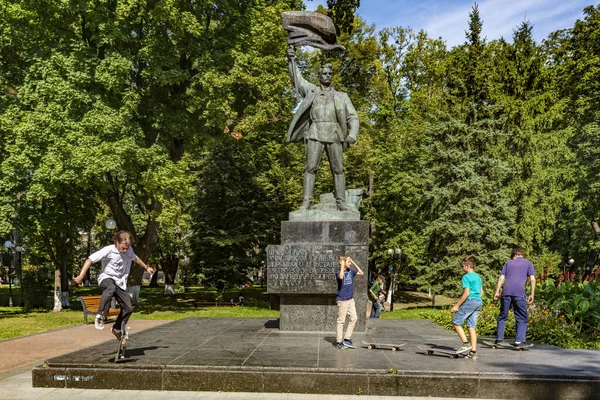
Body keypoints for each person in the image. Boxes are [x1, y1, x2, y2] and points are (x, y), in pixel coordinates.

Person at [286, 46, 359, 211]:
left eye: (329, 74)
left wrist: (352, 135)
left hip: (335, 134)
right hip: (315, 133)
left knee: (338, 169)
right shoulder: (311, 92)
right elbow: (297, 78)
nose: (327, 76)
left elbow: (353, 117)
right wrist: (291, 60)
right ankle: (306, 202)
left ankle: (341, 202)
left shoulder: (342, 96)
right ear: (318, 76)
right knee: (310, 168)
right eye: (324, 73)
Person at [73, 231, 154, 340]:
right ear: (116, 242)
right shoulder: (108, 250)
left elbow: (135, 258)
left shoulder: (129, 250)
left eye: (127, 248)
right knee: (110, 288)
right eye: (122, 248)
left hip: (120, 283)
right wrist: (81, 276)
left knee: (128, 308)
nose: (125, 251)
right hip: (106, 278)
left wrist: (146, 267)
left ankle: (117, 328)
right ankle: (100, 315)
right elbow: (89, 260)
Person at [493, 247, 535, 348]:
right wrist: (532, 294)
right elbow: (532, 280)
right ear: (522, 255)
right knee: (521, 316)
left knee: (503, 315)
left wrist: (497, 292)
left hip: (506, 293)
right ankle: (519, 341)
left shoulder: (508, 263)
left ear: (513, 255)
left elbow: (501, 278)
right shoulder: (529, 264)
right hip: (519, 293)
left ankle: (499, 339)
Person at [451, 255, 483, 359]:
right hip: (478, 301)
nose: (462, 268)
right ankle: (473, 352)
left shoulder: (466, 277)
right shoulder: (478, 277)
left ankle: (465, 343)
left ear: (467, 265)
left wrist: (456, 305)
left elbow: (466, 293)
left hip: (470, 301)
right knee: (471, 327)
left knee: (456, 322)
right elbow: (481, 292)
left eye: (462, 266)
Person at [335, 255, 364, 349]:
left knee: (354, 318)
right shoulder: (339, 272)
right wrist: (343, 265)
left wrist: (354, 262)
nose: (350, 263)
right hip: (342, 300)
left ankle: (347, 339)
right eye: (348, 262)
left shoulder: (351, 271)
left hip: (350, 300)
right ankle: (339, 342)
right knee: (341, 321)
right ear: (342, 262)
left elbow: (361, 272)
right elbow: (341, 277)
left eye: (350, 262)